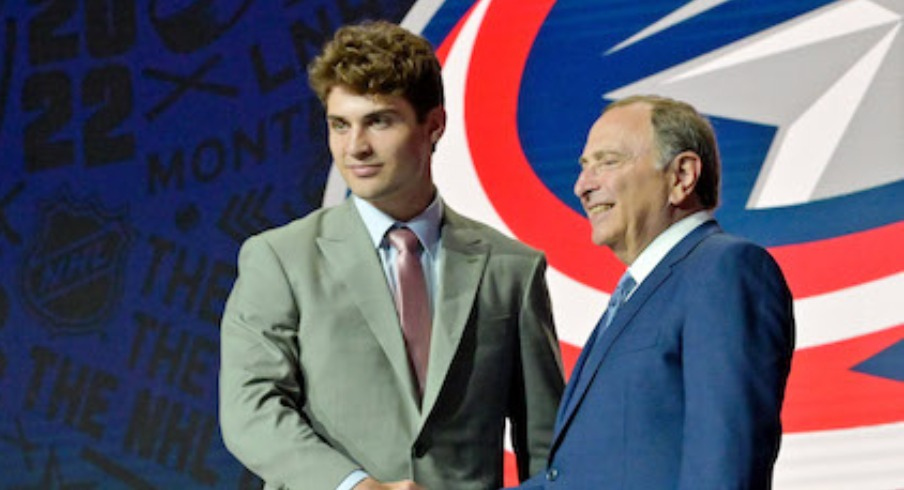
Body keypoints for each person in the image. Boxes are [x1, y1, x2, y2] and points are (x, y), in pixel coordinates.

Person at [219, 20, 564, 490]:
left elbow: (544, 447)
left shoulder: (512, 270)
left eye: (379, 121)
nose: (355, 147)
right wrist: (357, 486)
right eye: (340, 125)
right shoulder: (279, 258)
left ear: (434, 126)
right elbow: (250, 408)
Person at [515, 95, 795, 489]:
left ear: (681, 175)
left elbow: (725, 466)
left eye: (607, 162)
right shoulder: (638, 294)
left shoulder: (723, 270)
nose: (582, 186)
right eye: (583, 167)